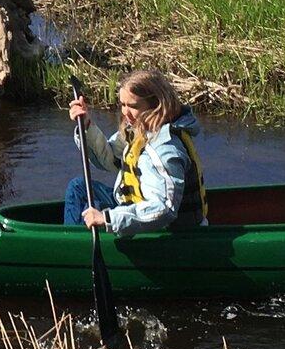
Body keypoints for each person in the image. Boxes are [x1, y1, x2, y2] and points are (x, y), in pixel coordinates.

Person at [65, 69, 208, 233]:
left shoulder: (164, 148)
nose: (125, 112)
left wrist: (107, 219)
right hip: (136, 206)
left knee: (96, 207)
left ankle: (75, 250)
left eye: (132, 106)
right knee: (78, 187)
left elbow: (164, 208)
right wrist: (86, 125)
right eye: (123, 104)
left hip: (165, 231)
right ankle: (74, 239)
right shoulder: (140, 130)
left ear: (156, 105)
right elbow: (111, 159)